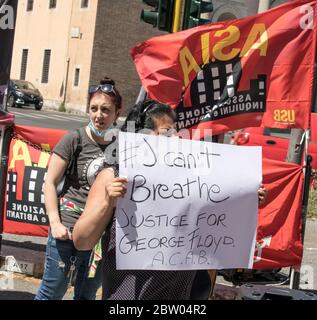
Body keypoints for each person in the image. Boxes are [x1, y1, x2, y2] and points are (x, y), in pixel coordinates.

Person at [73, 99, 267, 300]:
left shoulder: (192, 180)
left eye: (176, 133)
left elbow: (215, 224)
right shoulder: (114, 176)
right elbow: (82, 241)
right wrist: (107, 201)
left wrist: (245, 201)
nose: (176, 139)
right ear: (142, 137)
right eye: (167, 133)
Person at [35, 77, 122, 300]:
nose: (99, 115)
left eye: (105, 110)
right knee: (51, 293)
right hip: (66, 232)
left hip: (100, 239)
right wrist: (55, 223)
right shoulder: (74, 140)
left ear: (117, 113)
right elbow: (50, 182)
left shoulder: (124, 146)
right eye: (94, 108)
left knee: (86, 295)